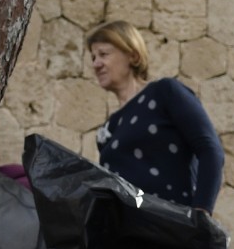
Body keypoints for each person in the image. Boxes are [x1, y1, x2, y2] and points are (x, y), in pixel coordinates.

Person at [86, 20, 224, 213]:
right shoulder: (110, 127)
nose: (96, 64)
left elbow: (210, 148)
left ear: (132, 56)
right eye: (93, 57)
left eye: (103, 54)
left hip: (173, 228)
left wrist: (201, 214)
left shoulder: (165, 92)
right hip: (129, 235)